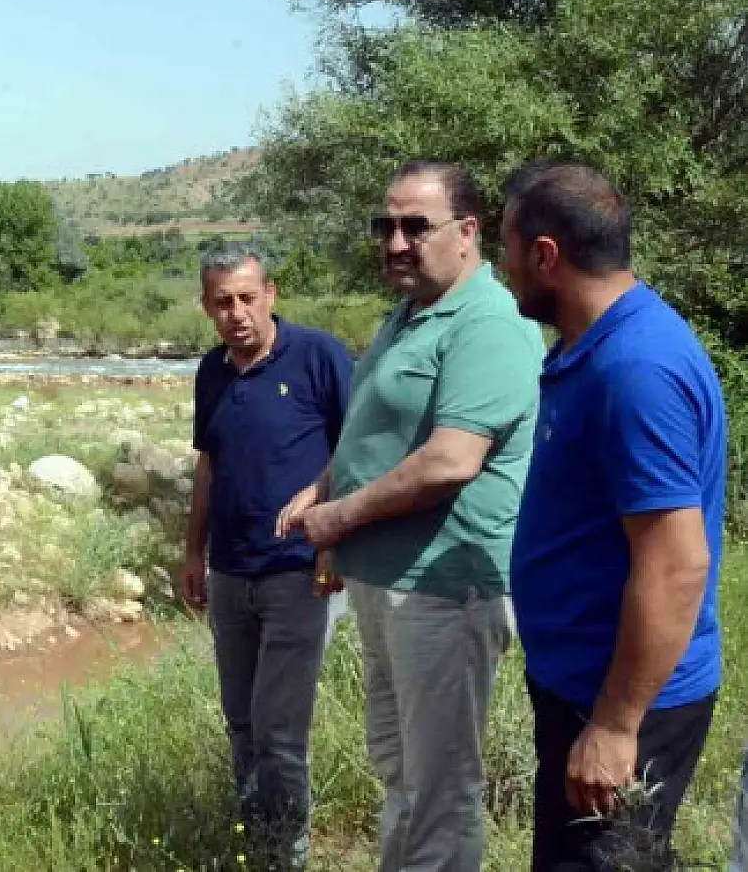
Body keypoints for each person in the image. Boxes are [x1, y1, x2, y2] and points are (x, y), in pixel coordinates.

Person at [278, 159, 545, 872]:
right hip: (385, 583)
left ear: (467, 231)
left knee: (439, 789)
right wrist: (323, 486)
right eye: (384, 226)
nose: (394, 243)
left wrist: (339, 518)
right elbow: (378, 424)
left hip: (443, 587)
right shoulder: (408, 314)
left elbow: (450, 460)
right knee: (399, 772)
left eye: (413, 227)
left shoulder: (490, 323)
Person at [498, 161, 724, 872]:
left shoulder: (636, 369)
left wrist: (616, 724)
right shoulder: (588, 348)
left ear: (546, 256)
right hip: (581, 685)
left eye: (505, 249)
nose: (500, 270)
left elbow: (677, 564)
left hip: (626, 703)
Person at [180, 238, 354, 869]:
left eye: (248, 297)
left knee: (280, 729)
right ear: (206, 306)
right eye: (223, 301)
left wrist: (321, 505)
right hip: (230, 573)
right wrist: (192, 553)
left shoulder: (319, 356)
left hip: (296, 573)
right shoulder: (211, 372)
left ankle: (288, 853)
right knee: (241, 721)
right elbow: (209, 464)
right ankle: (255, 837)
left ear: (271, 294)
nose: (237, 312)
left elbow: (359, 446)